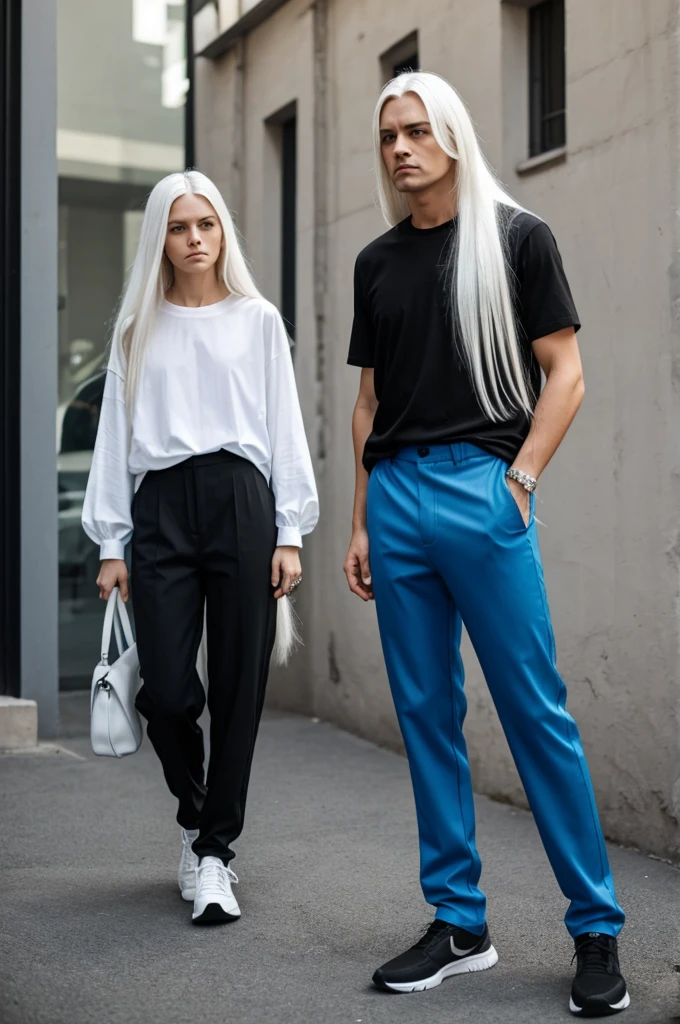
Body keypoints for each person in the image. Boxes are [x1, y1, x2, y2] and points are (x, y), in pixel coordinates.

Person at [344, 72, 628, 1018]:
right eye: (388, 134)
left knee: (534, 712)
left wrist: (520, 482)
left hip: (483, 490)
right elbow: (369, 405)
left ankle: (595, 928)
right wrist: (357, 518)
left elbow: (567, 372)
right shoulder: (376, 263)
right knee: (427, 718)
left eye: (418, 131)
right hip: (396, 499)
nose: (400, 148)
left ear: (454, 138)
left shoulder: (516, 239)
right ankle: (459, 923)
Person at [82, 170, 318, 925]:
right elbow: (114, 440)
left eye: (206, 225)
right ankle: (196, 814)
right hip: (160, 510)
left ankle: (215, 853)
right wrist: (112, 542)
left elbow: (284, 425)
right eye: (180, 227)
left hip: (243, 502)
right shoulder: (135, 331)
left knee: (240, 688)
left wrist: (290, 530)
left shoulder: (256, 321)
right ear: (161, 237)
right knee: (170, 694)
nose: (194, 239)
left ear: (222, 234)